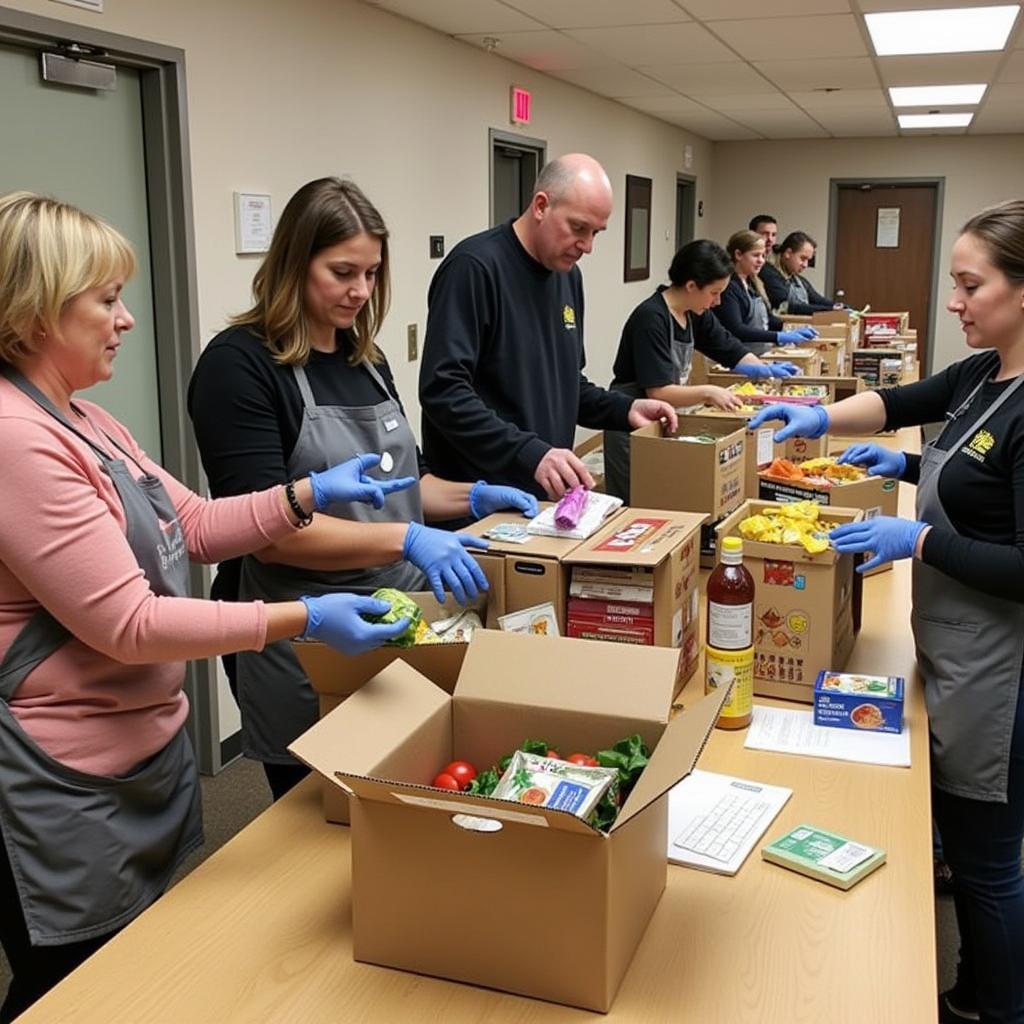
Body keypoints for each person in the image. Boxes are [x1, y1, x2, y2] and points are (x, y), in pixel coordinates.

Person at [0, 192, 415, 1021]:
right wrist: (302, 618)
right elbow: (130, 623)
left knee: (137, 970)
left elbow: (190, 522)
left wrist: (302, 494)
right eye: (107, 298)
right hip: (59, 773)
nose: (125, 320)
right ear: (37, 309)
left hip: (134, 749)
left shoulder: (88, 419)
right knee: (69, 994)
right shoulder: (16, 437)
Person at [749, 199, 1024, 1024]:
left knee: (991, 865)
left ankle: (997, 1009)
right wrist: (826, 421)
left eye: (970, 285)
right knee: (968, 847)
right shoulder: (985, 375)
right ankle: (972, 987)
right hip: (956, 647)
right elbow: (904, 400)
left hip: (1002, 677)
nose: (955, 303)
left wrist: (920, 540)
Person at [189, 178, 535, 800]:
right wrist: (405, 539)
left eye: (372, 273)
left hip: (396, 622)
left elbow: (409, 484)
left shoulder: (365, 359)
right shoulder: (238, 367)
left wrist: (476, 498)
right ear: (294, 264)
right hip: (305, 635)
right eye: (342, 271)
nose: (360, 291)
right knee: (318, 823)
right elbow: (267, 535)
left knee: (402, 801)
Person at [418, 153, 678, 501]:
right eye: (578, 228)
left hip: (542, 498)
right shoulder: (475, 268)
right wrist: (528, 452)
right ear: (541, 205)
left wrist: (624, 409)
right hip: (477, 501)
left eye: (596, 233)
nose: (587, 246)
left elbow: (568, 384)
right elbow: (443, 392)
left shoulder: (568, 278)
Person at [603, 239, 801, 502]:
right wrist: (708, 392)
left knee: (662, 496)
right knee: (635, 499)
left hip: (663, 417)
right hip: (629, 424)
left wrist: (764, 369)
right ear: (691, 286)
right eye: (714, 292)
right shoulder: (652, 318)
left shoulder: (694, 311)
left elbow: (727, 345)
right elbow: (658, 390)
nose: (718, 302)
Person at [715, 229, 818, 355]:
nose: (761, 261)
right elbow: (737, 329)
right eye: (756, 255)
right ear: (738, 254)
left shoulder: (753, 284)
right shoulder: (729, 287)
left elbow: (768, 319)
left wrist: (790, 328)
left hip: (757, 354)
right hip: (736, 358)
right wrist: (778, 336)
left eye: (763, 256)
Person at [760, 230, 842, 315]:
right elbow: (791, 306)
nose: (805, 265)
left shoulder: (797, 278)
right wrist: (832, 309)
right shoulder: (767, 273)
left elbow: (817, 299)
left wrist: (842, 307)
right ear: (788, 253)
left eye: (808, 260)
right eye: (803, 259)